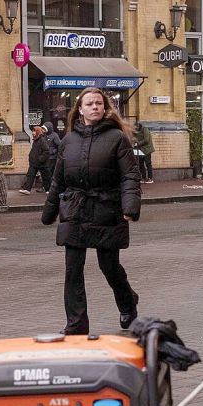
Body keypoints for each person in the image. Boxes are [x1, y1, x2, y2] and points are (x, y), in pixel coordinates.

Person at [41, 87, 141, 335]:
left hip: (107, 208)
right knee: (73, 269)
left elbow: (130, 175)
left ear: (105, 108)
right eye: (90, 104)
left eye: (99, 103)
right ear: (81, 110)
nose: (95, 107)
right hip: (75, 209)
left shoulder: (117, 138)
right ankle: (76, 324)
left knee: (109, 266)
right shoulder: (68, 141)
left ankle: (127, 302)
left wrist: (130, 206)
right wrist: (50, 210)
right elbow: (58, 180)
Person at [19, 126, 50, 195]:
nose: (33, 133)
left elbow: (46, 151)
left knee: (46, 176)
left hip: (42, 163)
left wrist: (40, 159)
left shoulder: (42, 140)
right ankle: (27, 189)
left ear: (38, 132)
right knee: (30, 175)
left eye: (34, 131)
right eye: (33, 131)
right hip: (34, 163)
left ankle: (48, 190)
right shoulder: (35, 140)